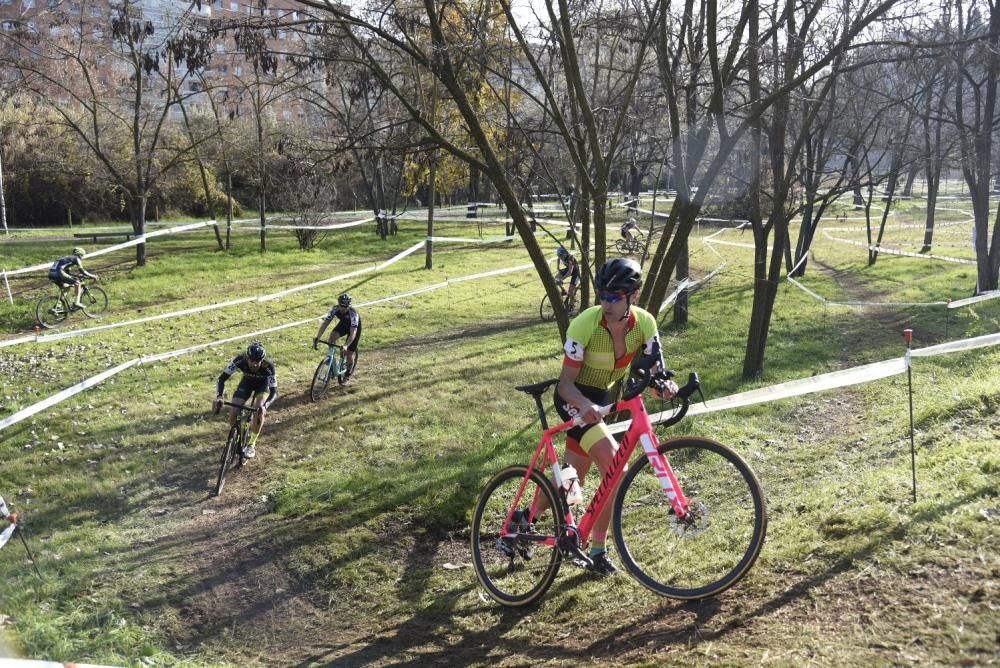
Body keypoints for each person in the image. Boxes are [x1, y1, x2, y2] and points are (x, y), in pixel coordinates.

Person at [553, 258, 678, 576]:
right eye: (602, 295)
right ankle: (597, 551)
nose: (605, 303)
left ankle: (524, 519)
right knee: (616, 468)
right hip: (575, 398)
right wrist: (583, 406)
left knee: (573, 480)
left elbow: (654, 377)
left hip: (604, 401)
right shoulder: (586, 324)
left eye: (613, 297)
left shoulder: (645, 324)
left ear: (633, 296)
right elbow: (565, 384)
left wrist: (664, 387)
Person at [212, 342, 277, 459]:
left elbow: (273, 392)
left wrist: (265, 406)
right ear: (247, 358)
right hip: (246, 383)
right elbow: (222, 379)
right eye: (252, 360)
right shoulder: (240, 360)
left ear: (262, 360)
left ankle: (251, 444)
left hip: (263, 386)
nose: (255, 364)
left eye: (258, 361)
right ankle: (237, 434)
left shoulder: (269, 367)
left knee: (258, 410)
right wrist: (219, 397)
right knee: (233, 412)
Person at [314, 293, 361, 379]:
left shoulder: (354, 314)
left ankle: (349, 367)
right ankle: (332, 361)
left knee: (348, 353)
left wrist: (346, 345)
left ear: (348, 306)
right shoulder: (335, 309)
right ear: (338, 304)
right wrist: (318, 337)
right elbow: (325, 323)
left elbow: (353, 332)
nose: (342, 308)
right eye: (341, 306)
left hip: (353, 329)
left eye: (345, 306)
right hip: (343, 325)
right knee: (332, 337)